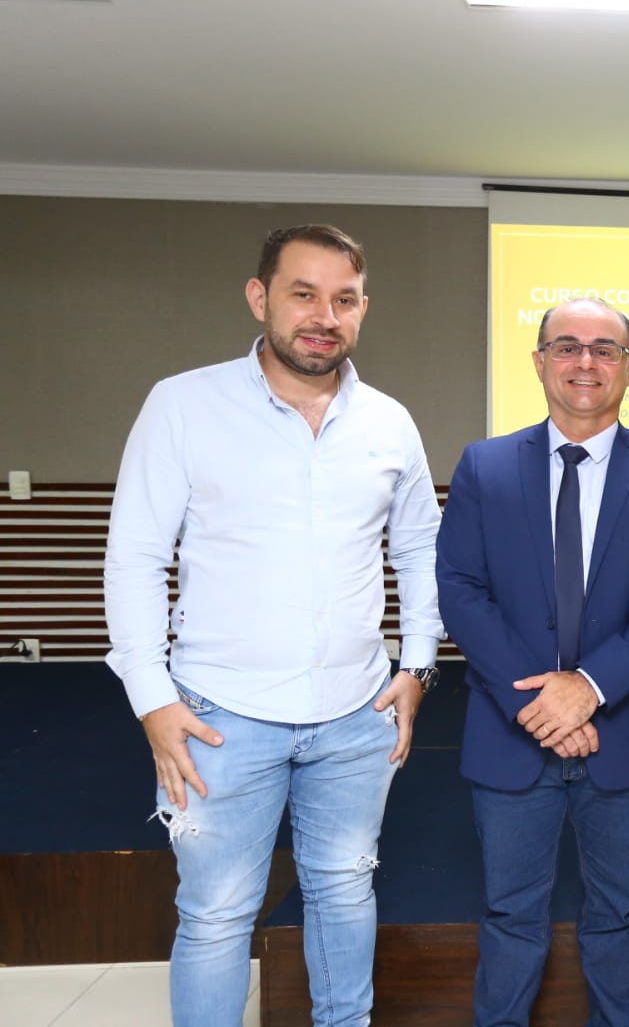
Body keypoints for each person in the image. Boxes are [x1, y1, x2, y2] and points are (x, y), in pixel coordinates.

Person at [103, 224, 444, 1027]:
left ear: (363, 309)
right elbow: (135, 556)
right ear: (260, 298)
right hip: (217, 716)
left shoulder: (389, 422)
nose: (324, 316)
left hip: (356, 715)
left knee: (344, 893)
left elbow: (420, 550)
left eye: (344, 299)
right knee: (217, 914)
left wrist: (419, 665)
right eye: (303, 294)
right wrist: (152, 699)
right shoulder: (183, 405)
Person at [435, 297, 629, 1027]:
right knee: (510, 914)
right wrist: (541, 703)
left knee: (618, 912)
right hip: (511, 729)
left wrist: (589, 687)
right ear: (539, 362)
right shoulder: (485, 466)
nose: (585, 362)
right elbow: (460, 589)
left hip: (624, 731)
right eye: (567, 346)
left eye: (604, 349)